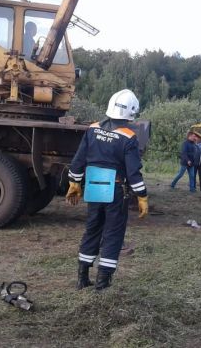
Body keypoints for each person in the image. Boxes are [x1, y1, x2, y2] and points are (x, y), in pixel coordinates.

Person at [66, 89, 148, 291]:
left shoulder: (92, 129)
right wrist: (142, 196)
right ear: (131, 113)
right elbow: (133, 172)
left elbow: (79, 159)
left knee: (92, 229)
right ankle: (102, 283)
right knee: (113, 233)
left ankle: (82, 278)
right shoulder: (129, 137)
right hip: (115, 190)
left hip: (93, 187)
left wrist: (74, 182)